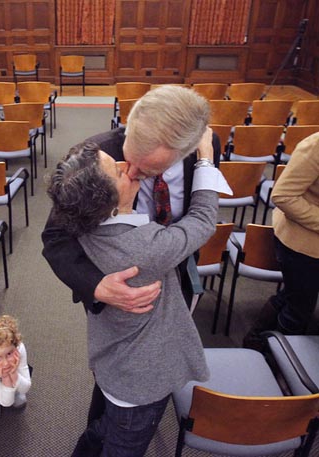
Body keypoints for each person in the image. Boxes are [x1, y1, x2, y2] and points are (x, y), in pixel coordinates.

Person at [42, 85, 221, 454]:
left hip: (175, 276)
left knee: (158, 345)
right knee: (115, 388)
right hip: (113, 290)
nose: (133, 172)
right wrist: (96, 287)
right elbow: (55, 239)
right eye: (130, 160)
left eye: (150, 169)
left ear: (185, 150)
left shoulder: (206, 144)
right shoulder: (96, 158)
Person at [243, 131, 319, 349]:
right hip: (302, 244)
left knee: (292, 296)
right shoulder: (314, 145)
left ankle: (256, 343)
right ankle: (276, 361)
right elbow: (283, 196)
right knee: (298, 309)